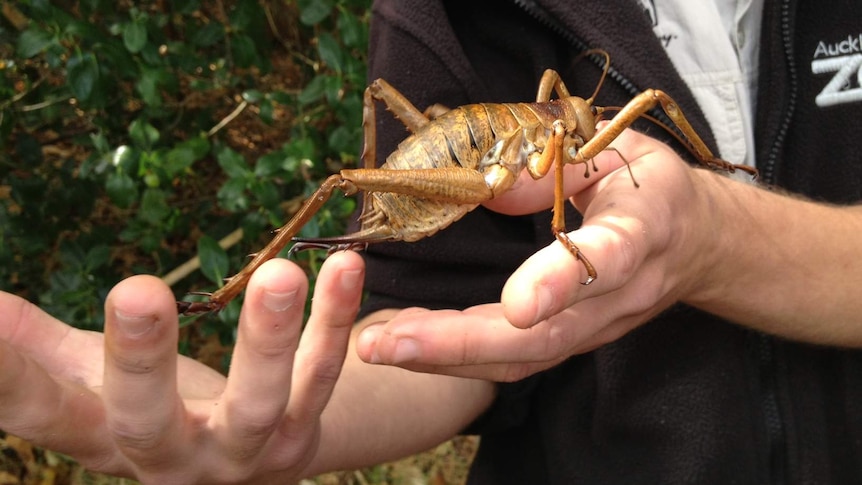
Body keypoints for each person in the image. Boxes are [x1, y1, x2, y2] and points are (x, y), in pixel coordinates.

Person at [1, 0, 861, 482]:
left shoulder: (568, 104)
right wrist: (287, 419)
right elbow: (435, 318)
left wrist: (714, 218)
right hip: (450, 171)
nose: (589, 128)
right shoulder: (441, 22)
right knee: (345, 182)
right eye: (578, 123)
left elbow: (593, 113)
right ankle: (228, 289)